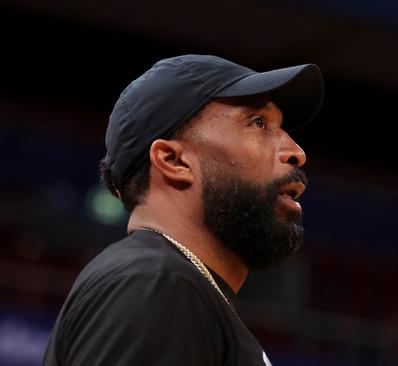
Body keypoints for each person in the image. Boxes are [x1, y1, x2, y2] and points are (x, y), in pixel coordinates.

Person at [42, 54, 324, 365]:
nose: (296, 152)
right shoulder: (155, 283)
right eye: (258, 123)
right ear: (174, 161)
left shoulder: (178, 287)